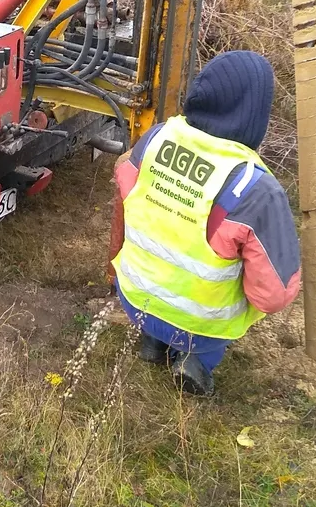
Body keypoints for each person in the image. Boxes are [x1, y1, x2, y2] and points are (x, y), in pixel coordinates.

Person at [109, 50, 302, 395]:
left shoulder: (155, 140)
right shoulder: (255, 189)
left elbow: (125, 185)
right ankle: (194, 361)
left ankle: (152, 342)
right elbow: (272, 295)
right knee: (226, 283)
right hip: (200, 321)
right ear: (254, 115)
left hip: (136, 295)